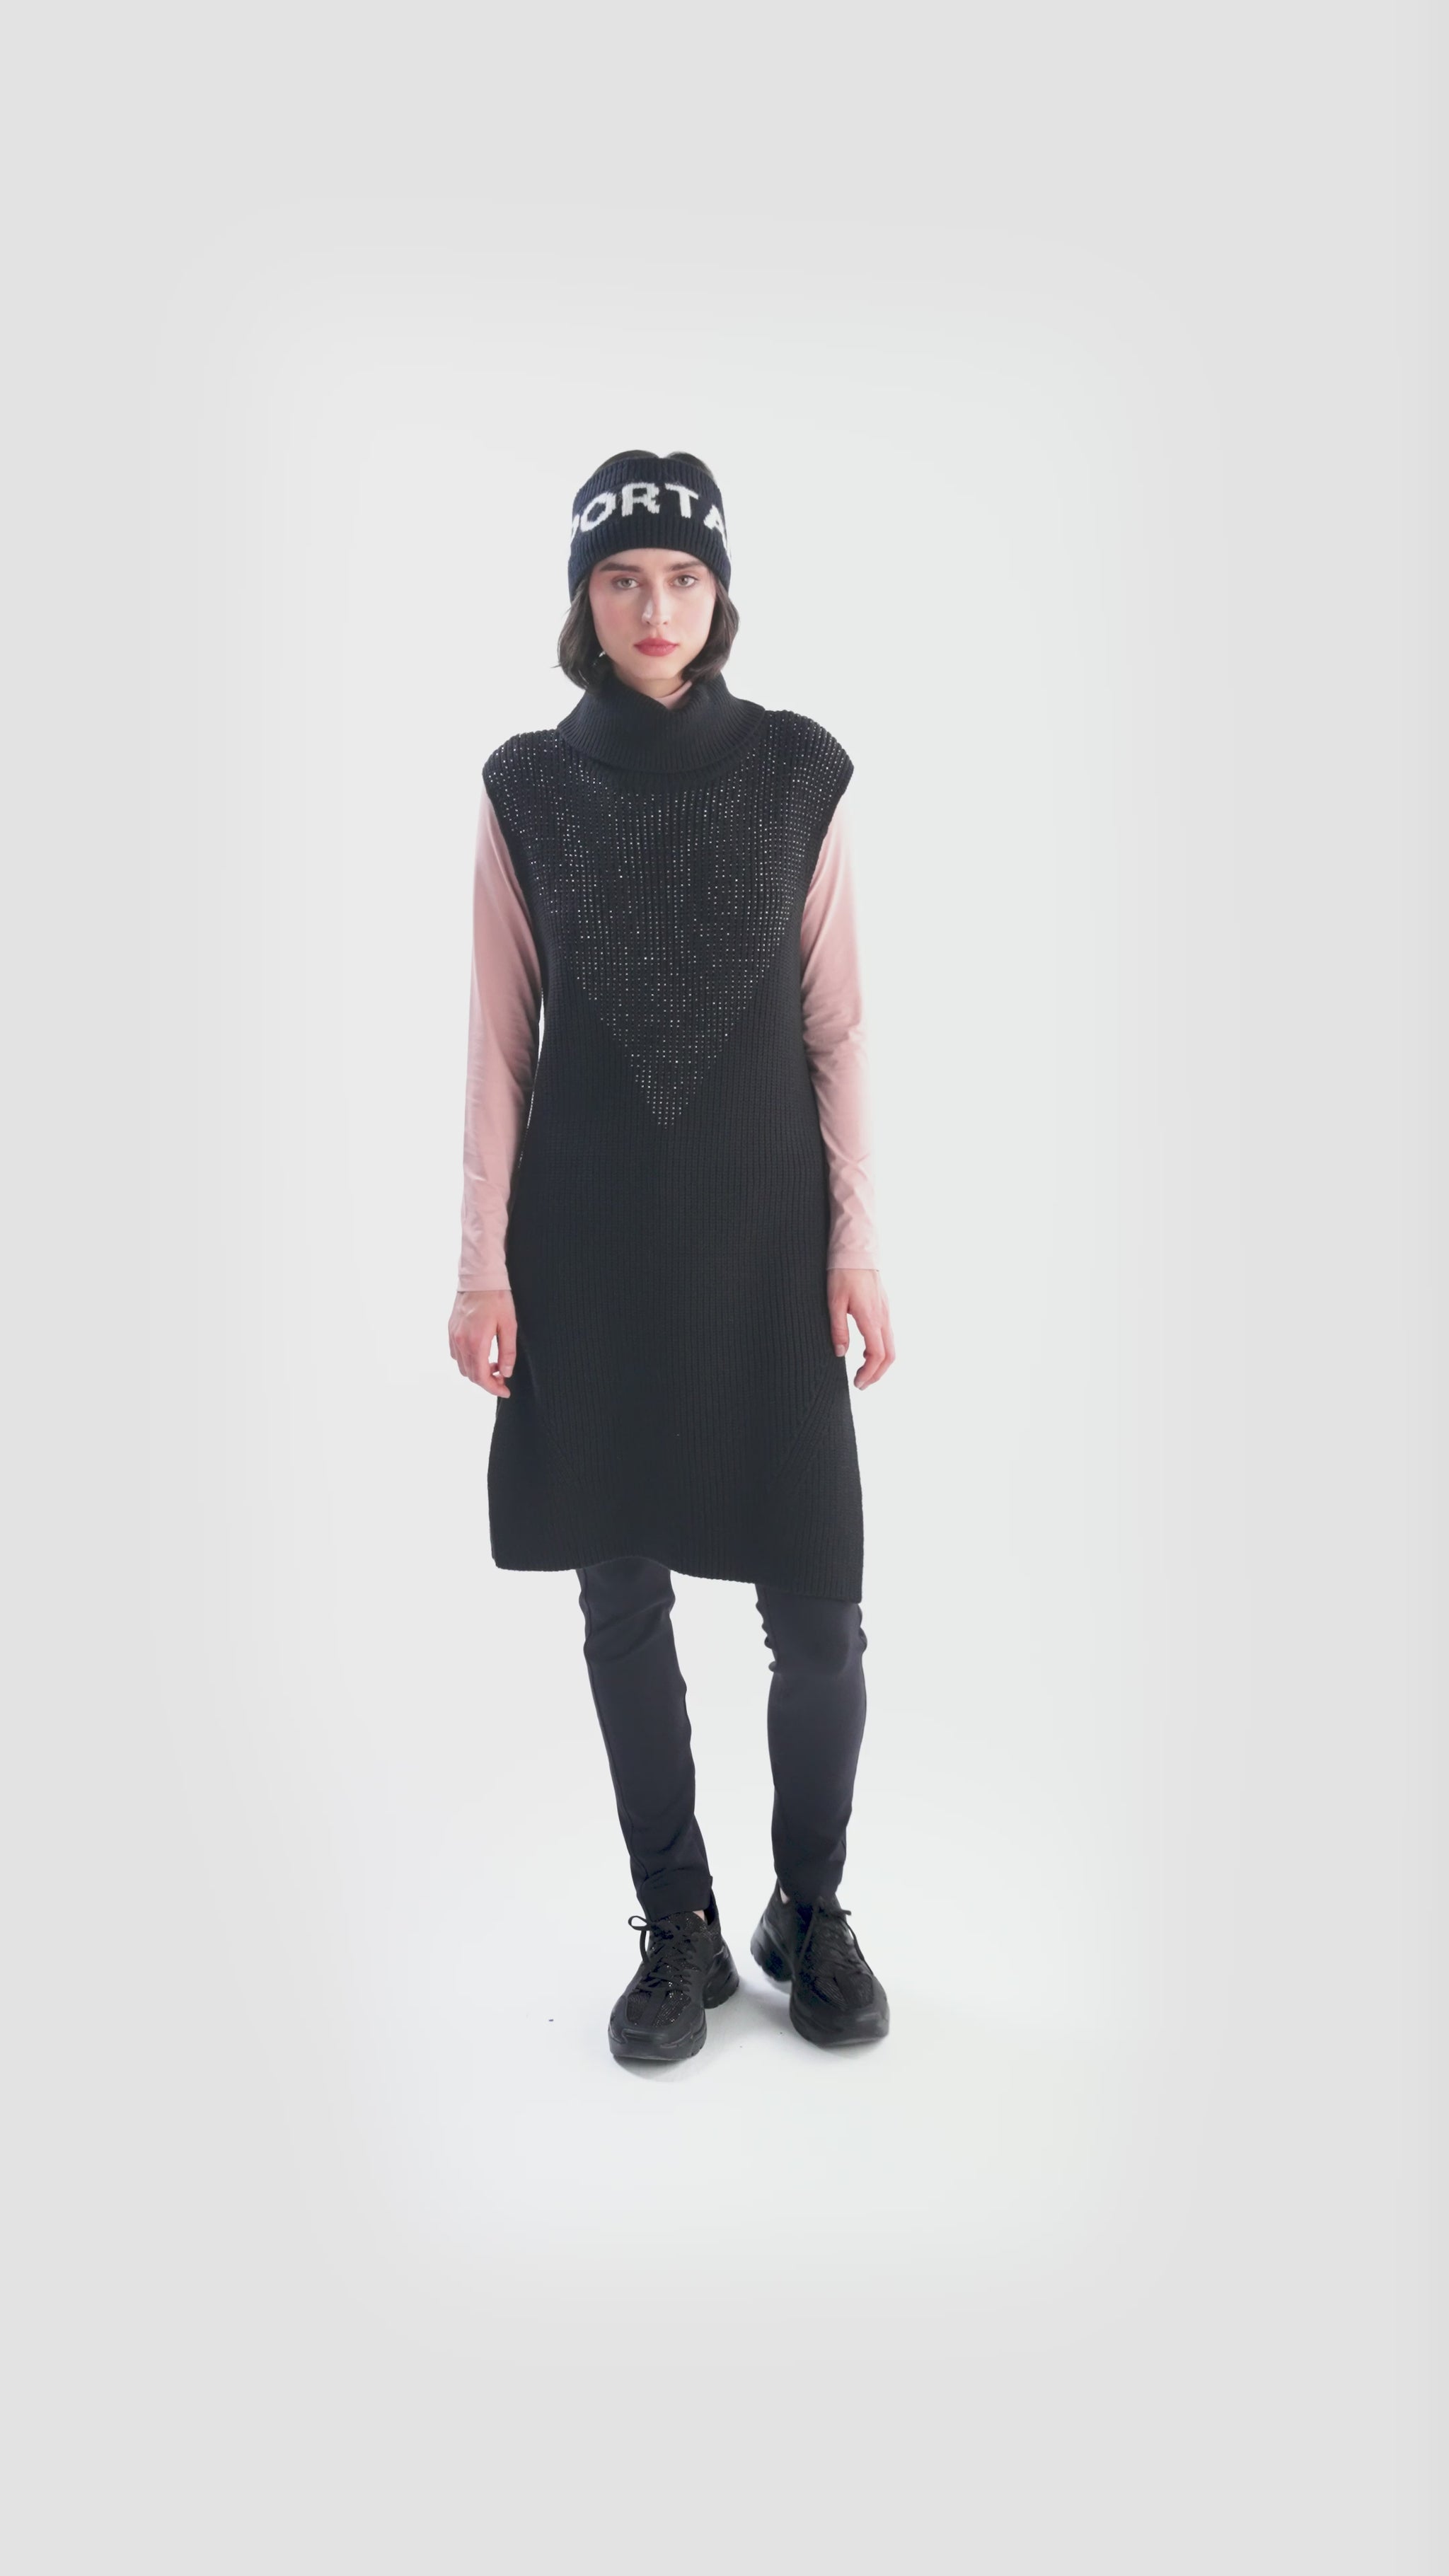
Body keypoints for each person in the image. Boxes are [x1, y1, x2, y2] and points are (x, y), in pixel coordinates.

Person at [447, 449, 896, 2066]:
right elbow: (499, 1042)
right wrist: (481, 1266)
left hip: (768, 1245)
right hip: (586, 1248)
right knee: (619, 1592)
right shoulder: (525, 789)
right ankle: (680, 1921)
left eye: (684, 577)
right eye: (624, 578)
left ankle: (809, 1908)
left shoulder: (795, 774)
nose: (656, 606)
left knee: (819, 1611)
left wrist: (856, 1244)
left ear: (720, 595)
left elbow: (836, 1026)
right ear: (586, 598)